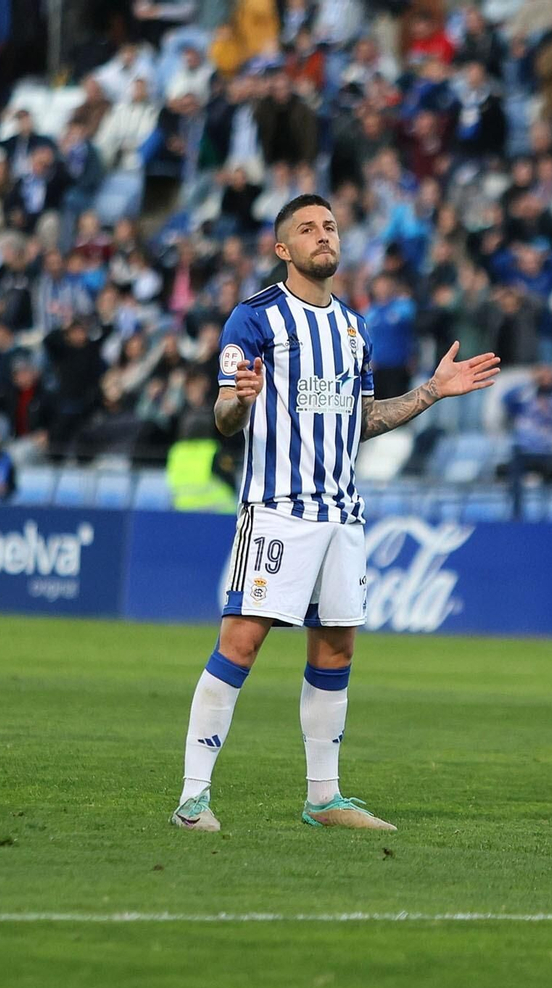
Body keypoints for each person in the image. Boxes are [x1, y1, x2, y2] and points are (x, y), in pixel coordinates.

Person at [172, 193, 499, 834]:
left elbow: (362, 422)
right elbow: (224, 418)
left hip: (343, 513)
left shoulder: (354, 329)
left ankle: (324, 798)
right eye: (307, 228)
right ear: (282, 249)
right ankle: (193, 798)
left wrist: (432, 391)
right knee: (241, 641)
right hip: (277, 509)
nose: (324, 235)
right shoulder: (254, 319)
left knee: (337, 648)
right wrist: (240, 401)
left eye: (330, 226)